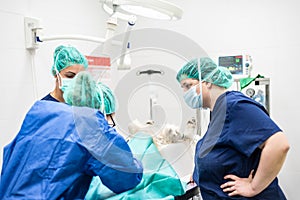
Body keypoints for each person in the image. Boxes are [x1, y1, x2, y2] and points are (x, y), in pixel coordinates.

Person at [0, 71, 143, 200]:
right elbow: (127, 177)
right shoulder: (91, 126)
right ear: (102, 110)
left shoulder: (40, 112)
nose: (110, 125)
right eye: (110, 119)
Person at [176, 57, 290, 199]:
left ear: (207, 81)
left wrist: (253, 187)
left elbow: (279, 144)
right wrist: (199, 172)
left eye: (188, 86)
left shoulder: (234, 106)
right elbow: (224, 153)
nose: (185, 93)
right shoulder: (218, 112)